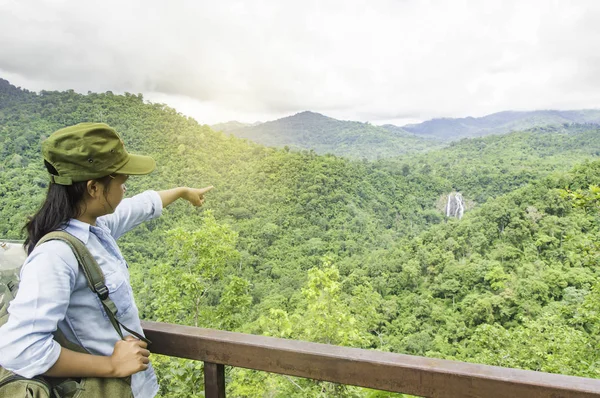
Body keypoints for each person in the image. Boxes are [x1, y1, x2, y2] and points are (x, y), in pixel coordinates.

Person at [0, 123, 213, 398]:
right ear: (94, 188)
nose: (125, 188)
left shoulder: (96, 226)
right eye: (122, 181)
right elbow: (20, 348)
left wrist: (183, 191)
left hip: (133, 389)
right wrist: (111, 366)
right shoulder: (55, 256)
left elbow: (142, 205)